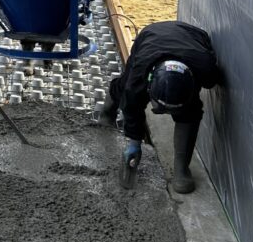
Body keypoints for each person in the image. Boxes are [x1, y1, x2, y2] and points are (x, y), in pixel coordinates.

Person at [94, 20, 222, 193]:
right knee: (125, 86)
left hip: (193, 37)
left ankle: (181, 169)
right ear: (149, 83)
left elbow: (210, 82)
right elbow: (132, 108)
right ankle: (106, 113)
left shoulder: (205, 69)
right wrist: (134, 142)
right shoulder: (140, 76)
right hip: (151, 36)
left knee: (190, 112)